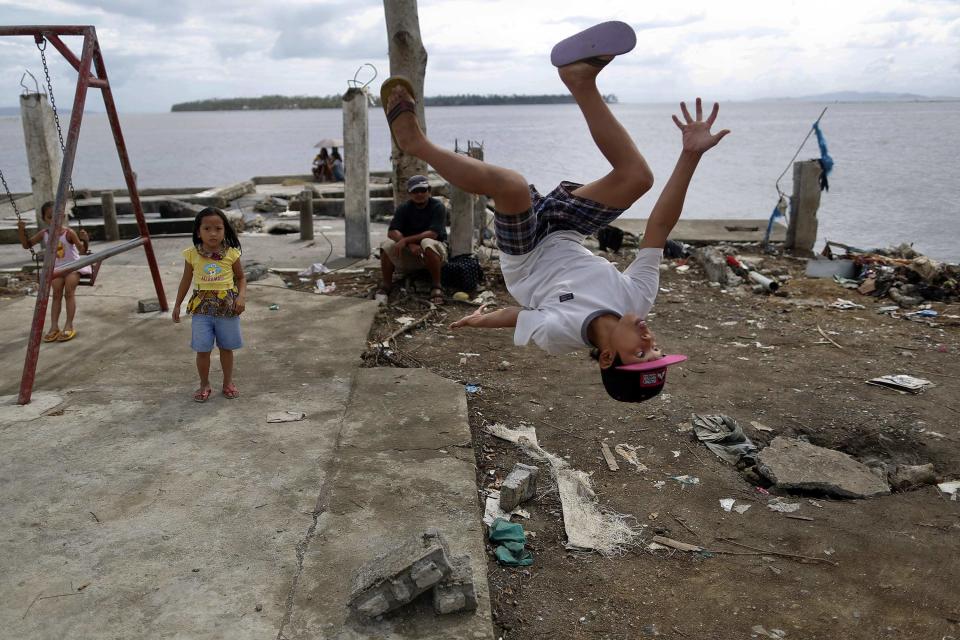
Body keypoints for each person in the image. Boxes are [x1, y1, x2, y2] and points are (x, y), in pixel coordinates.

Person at [381, 20, 729, 402]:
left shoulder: (559, 334)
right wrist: (690, 155)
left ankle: (415, 143)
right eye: (657, 349)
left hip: (526, 255)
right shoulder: (638, 299)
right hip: (565, 231)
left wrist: (480, 320)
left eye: (641, 353)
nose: (650, 338)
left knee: (512, 186)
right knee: (637, 178)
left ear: (608, 356)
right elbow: (659, 226)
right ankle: (579, 79)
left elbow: (518, 315)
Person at [172, 207, 247, 402]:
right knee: (203, 349)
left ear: (225, 231)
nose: (213, 233)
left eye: (218, 228)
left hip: (227, 309)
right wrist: (177, 304)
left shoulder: (232, 253)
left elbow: (241, 278)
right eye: (207, 228)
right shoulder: (191, 255)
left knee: (226, 347)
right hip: (201, 309)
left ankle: (227, 383)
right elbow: (185, 280)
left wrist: (241, 297)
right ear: (198, 231)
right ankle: (204, 384)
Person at [17, 200, 91, 342]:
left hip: (73, 266)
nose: (54, 220)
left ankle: (69, 325)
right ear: (44, 219)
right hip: (57, 268)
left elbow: (82, 251)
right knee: (56, 293)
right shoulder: (44, 234)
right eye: (50, 217)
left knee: (69, 292)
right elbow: (27, 245)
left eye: (57, 216)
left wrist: (85, 241)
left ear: (62, 216)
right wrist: (21, 230)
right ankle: (54, 326)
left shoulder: (68, 233)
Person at [376, 175, 449, 305]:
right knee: (386, 245)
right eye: (415, 191)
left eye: (423, 190)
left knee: (426, 242)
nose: (419, 194)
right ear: (409, 193)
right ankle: (386, 284)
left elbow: (432, 234)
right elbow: (392, 231)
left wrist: (406, 240)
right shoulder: (404, 208)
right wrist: (409, 244)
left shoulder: (438, 206)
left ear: (429, 191)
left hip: (435, 251)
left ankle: (437, 286)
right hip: (412, 252)